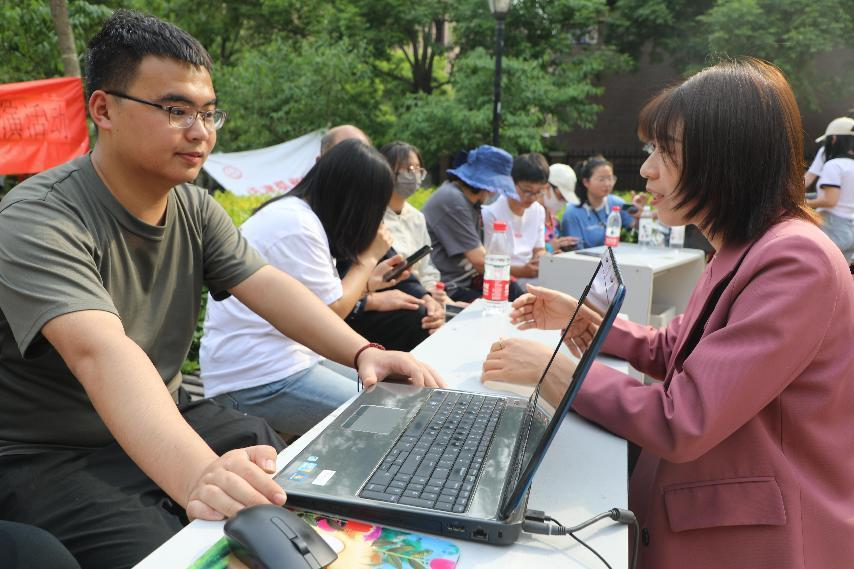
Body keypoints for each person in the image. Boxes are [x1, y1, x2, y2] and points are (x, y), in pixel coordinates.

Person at [0, 11, 440, 569]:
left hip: (166, 414)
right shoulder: (39, 218)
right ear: (103, 109)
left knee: (288, 474)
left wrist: (363, 353)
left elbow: (269, 286)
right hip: (50, 451)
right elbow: (99, 352)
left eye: (208, 113)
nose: (200, 132)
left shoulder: (194, 207)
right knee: (177, 550)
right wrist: (197, 476)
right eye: (175, 110)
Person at [482, 59, 854, 568]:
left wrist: (554, 374)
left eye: (666, 152)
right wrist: (587, 321)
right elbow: (676, 347)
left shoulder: (796, 260)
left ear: (724, 158)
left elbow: (686, 418)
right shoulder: (747, 244)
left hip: (756, 543)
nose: (647, 169)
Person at [201, 140, 420, 435]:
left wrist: (368, 283)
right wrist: (368, 259)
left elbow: (316, 305)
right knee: (388, 420)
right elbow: (334, 311)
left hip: (287, 361)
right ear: (357, 201)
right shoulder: (297, 226)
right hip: (256, 378)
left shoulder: (301, 216)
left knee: (398, 396)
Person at [422, 145, 524, 302]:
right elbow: (480, 261)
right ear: (484, 186)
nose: (494, 192)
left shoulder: (468, 202)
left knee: (513, 291)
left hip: (467, 280)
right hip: (449, 287)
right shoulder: (453, 200)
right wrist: (520, 271)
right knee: (502, 304)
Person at [380, 140, 448, 308]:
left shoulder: (417, 217)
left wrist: (436, 294)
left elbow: (426, 269)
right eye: (409, 169)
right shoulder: (373, 218)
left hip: (425, 298)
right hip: (393, 299)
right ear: (387, 170)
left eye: (418, 169)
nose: (414, 175)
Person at [482, 153, 549, 288]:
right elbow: (488, 262)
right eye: (527, 191)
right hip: (502, 280)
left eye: (539, 192)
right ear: (511, 182)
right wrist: (521, 271)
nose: (532, 197)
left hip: (530, 277)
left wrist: (542, 259)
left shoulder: (538, 211)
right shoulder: (491, 212)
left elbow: (539, 249)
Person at [560, 155, 645, 249]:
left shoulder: (617, 203)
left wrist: (640, 217)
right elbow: (574, 250)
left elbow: (635, 227)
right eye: (601, 179)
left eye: (610, 178)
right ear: (586, 182)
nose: (608, 184)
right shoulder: (573, 212)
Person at [805, 116, 854, 262]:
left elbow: (830, 200)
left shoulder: (833, 165)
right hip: (850, 227)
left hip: (832, 226)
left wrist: (802, 203)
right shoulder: (849, 165)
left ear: (833, 139)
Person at [804, 112, 854, 189]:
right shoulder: (827, 154)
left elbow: (809, 178)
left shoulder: (832, 165)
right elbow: (809, 178)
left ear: (833, 139)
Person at [541, 163, 580, 253]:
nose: (563, 202)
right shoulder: (528, 213)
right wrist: (550, 247)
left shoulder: (553, 219)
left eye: (566, 199)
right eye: (561, 196)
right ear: (546, 187)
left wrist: (560, 244)